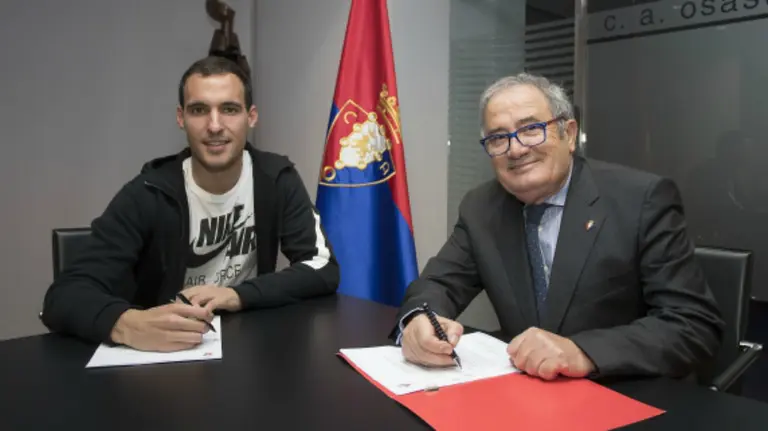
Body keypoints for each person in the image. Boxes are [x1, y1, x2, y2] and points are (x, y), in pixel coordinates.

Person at [394, 73, 723, 381]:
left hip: (624, 392)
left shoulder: (641, 200)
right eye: (498, 138)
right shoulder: (482, 208)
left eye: (531, 128)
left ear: (568, 134)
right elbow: (437, 284)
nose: (517, 148)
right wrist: (418, 323)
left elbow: (693, 326)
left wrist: (583, 352)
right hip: (526, 398)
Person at [42, 56, 339, 352]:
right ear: (181, 117)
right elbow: (64, 295)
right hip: (161, 358)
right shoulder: (148, 193)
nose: (214, 125)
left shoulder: (276, 179)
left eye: (229, 109)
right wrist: (127, 324)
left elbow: (323, 267)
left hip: (245, 348)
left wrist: (236, 295)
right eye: (199, 110)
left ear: (251, 117)